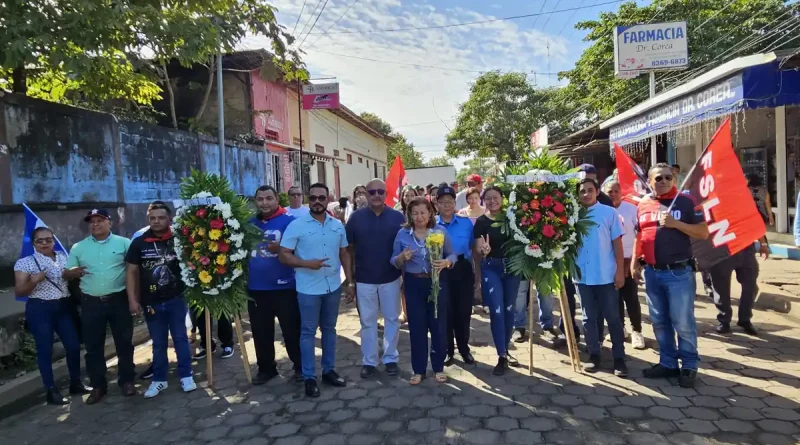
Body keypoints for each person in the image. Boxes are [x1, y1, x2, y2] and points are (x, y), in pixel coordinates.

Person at [632, 163, 709, 388]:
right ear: (650, 181)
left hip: (678, 273)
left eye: (668, 177)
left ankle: (688, 366)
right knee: (659, 322)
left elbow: (703, 232)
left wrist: (677, 224)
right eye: (658, 178)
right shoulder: (644, 204)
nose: (664, 181)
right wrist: (634, 262)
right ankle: (667, 363)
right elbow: (640, 235)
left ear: (674, 180)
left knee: (683, 322)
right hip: (653, 274)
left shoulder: (686, 202)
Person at [279, 183, 354, 397]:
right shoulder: (297, 225)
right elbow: (284, 254)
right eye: (313, 198)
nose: (318, 201)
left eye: (322, 197)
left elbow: (344, 254)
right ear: (307, 200)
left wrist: (350, 282)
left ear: (328, 198)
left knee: (329, 330)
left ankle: (329, 371)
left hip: (332, 287)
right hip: (308, 289)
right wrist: (305, 263)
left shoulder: (337, 225)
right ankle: (309, 377)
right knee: (308, 332)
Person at [125, 201, 196, 398]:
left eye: (161, 218)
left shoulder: (179, 239)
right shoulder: (139, 242)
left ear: (169, 219)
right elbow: (131, 272)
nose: (156, 221)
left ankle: (186, 375)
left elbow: (193, 260)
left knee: (181, 337)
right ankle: (159, 380)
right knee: (158, 342)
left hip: (176, 298)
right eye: (152, 218)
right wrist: (132, 299)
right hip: (151, 302)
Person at [64, 208, 136, 404]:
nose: (95, 224)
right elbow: (67, 273)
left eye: (100, 220)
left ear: (110, 223)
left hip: (118, 300)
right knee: (93, 347)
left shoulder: (124, 244)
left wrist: (133, 299)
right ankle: (98, 385)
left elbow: (133, 271)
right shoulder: (79, 247)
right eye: (92, 221)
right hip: (91, 302)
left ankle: (127, 381)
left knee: (124, 343)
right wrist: (71, 272)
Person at [14, 227, 90, 405]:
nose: (44, 243)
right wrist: (33, 281)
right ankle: (51, 390)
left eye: (48, 239)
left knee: (72, 346)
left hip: (63, 307)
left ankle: (76, 383)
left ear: (53, 241)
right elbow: (19, 291)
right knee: (45, 350)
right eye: (39, 240)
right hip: (40, 309)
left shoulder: (62, 257)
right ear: (33, 243)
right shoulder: (25, 263)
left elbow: (66, 276)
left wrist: (71, 274)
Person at [392, 197, 456, 385]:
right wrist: (402, 257)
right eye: (415, 213)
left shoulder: (439, 231)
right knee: (417, 327)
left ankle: (438, 368)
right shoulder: (403, 234)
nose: (419, 216)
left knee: (437, 326)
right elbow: (393, 260)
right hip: (413, 284)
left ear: (430, 213)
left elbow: (452, 254)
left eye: (423, 212)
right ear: (409, 215)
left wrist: (447, 262)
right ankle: (418, 369)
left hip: (437, 282)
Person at [346, 179, 405, 379]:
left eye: (381, 191)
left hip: (391, 278)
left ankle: (390, 358)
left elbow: (406, 248)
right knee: (368, 322)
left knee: (392, 320)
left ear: (386, 193)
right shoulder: (355, 218)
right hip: (364, 279)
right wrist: (350, 281)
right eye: (372, 192)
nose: (377, 195)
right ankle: (369, 361)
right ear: (366, 194)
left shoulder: (398, 217)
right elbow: (348, 250)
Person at [247, 185, 303, 385]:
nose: (264, 203)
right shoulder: (249, 223)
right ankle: (266, 368)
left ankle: (300, 366)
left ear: (277, 199)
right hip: (256, 289)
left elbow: (302, 247)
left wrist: (283, 247)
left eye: (268, 198)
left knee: (291, 330)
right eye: (260, 199)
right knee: (261, 331)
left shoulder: (290, 222)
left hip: (285, 288)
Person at [574, 178, 627, 375]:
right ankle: (594, 354)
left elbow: (617, 244)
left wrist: (620, 271)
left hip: (606, 274)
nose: (586, 194)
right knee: (588, 318)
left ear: (597, 192)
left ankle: (619, 358)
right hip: (581, 276)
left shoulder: (609, 212)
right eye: (582, 191)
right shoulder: (573, 215)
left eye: (590, 190)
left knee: (612, 317)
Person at [474, 185, 522, 376]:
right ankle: (501, 355)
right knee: (497, 310)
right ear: (484, 201)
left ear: (502, 199)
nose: (492, 201)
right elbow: (479, 247)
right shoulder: (481, 222)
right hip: (491, 267)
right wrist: (483, 249)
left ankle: (506, 349)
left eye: (496, 197)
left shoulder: (512, 218)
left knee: (510, 309)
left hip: (512, 267)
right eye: (488, 198)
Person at [435, 186, 476, 366]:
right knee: (445, 311)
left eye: (450, 201)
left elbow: (474, 249)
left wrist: (478, 275)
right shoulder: (432, 225)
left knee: (463, 311)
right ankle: (447, 350)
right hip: (441, 269)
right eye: (442, 202)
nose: (447, 205)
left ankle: (464, 348)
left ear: (455, 203)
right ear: (436, 204)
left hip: (463, 269)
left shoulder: (465, 222)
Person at [604, 181, 646, 350]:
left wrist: (638, 260)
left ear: (621, 192)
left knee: (631, 297)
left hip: (629, 259)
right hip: (609, 261)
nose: (612, 194)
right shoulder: (603, 210)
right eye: (609, 191)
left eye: (615, 191)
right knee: (615, 299)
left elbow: (640, 233)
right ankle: (620, 329)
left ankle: (637, 331)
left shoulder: (631, 209)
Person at [708, 234, 769, 336]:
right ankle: (724, 320)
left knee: (750, 285)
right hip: (721, 249)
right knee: (720, 287)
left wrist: (763, 245)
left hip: (746, 249)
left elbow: (757, 224)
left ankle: (745, 319)